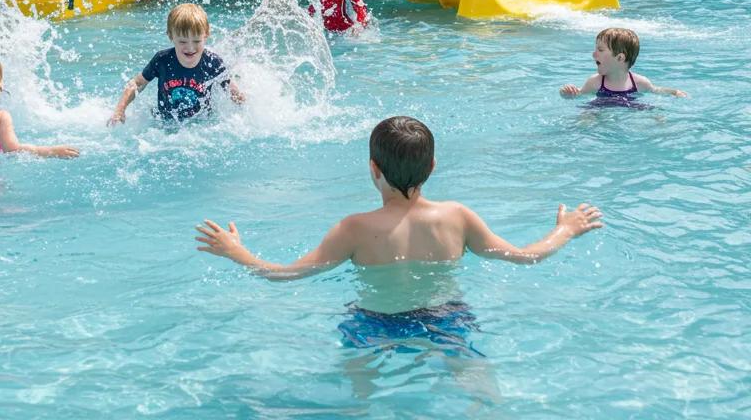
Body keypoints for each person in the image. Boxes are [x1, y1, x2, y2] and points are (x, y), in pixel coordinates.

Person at [195, 116, 602, 353]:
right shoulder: (457, 218)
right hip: (446, 318)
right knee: (476, 385)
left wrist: (236, 251)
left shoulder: (354, 228)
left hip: (374, 322)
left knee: (359, 392)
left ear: (373, 169)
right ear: (433, 167)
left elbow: (284, 274)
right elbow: (525, 256)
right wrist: (565, 230)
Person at [108, 3, 243, 125]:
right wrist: (120, 109)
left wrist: (244, 109)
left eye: (196, 41)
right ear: (171, 36)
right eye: (183, 42)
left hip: (201, 123)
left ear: (206, 35)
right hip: (165, 121)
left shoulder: (213, 62)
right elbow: (137, 83)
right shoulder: (162, 60)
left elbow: (231, 89)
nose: (190, 48)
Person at [560, 28, 688, 106]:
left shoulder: (639, 82)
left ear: (620, 58)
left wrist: (674, 92)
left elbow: (656, 90)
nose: (594, 54)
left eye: (600, 50)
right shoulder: (596, 82)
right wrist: (567, 92)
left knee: (655, 114)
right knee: (587, 117)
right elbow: (579, 94)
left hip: (631, 107)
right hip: (600, 108)